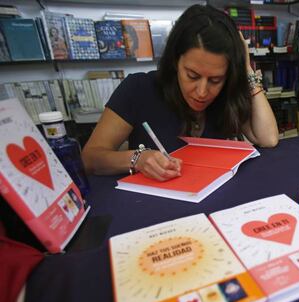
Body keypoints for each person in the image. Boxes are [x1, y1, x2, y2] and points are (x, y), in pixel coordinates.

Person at [82, 4, 278, 181]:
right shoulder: (138, 89)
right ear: (175, 61)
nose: (202, 92)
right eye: (192, 75)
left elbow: (268, 138)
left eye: (215, 80)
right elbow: (90, 159)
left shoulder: (227, 93)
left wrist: (246, 67)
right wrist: (137, 159)